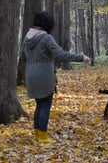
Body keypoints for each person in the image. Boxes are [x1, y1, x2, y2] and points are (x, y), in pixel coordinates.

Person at [20, 11, 91, 143]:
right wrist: (81, 57)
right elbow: (60, 54)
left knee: (39, 105)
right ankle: (43, 136)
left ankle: (37, 133)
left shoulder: (27, 37)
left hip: (30, 74)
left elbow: (22, 56)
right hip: (44, 74)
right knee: (45, 105)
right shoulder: (46, 38)